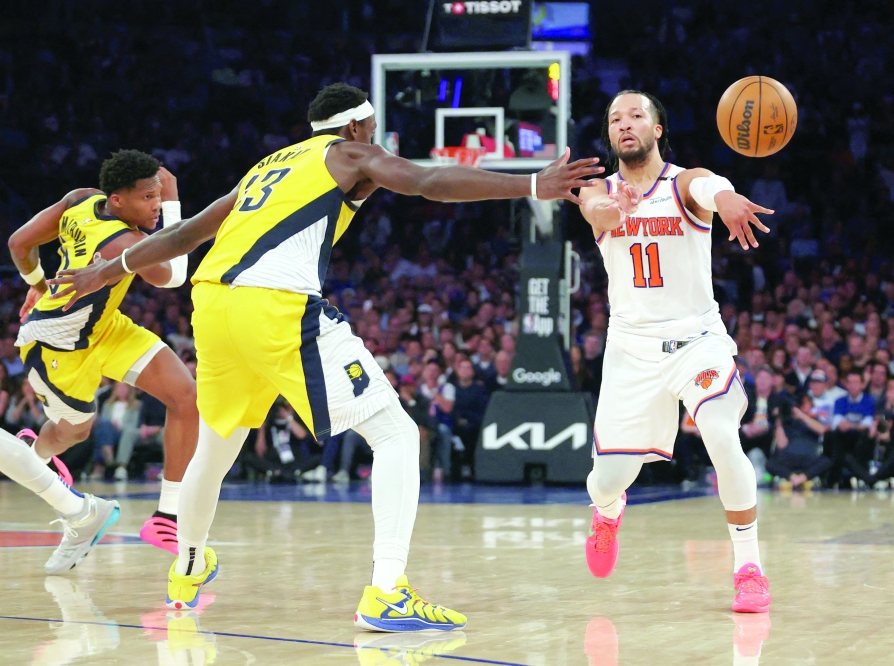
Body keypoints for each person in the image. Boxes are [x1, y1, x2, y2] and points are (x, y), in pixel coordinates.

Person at [51, 82, 601, 629]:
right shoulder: (350, 152)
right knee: (397, 434)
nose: (377, 139)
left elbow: (191, 232)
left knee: (215, 451)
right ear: (357, 127)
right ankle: (388, 591)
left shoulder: (265, 167)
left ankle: (188, 569)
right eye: (374, 129)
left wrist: (107, 270)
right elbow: (427, 181)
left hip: (213, 306)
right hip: (275, 305)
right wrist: (532, 182)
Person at [576, 89, 772, 612]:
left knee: (719, 434)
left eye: (636, 115)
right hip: (631, 352)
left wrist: (727, 197)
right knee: (604, 481)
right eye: (616, 118)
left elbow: (709, 186)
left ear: (656, 129)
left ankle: (748, 568)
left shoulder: (682, 182)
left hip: (697, 341)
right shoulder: (599, 188)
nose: (625, 123)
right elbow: (596, 212)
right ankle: (609, 511)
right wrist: (612, 208)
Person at [1, 151, 198, 574]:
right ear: (119, 200)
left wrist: (36, 284)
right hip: (56, 344)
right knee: (72, 434)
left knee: (185, 395)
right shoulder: (123, 242)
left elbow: (20, 243)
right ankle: (33, 451)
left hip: (105, 326)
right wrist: (177, 199)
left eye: (159, 195)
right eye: (148, 198)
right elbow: (175, 275)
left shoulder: (80, 199)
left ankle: (167, 517)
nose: (156, 205)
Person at [767, 393, 831, 490]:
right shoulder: (786, 421)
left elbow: (822, 430)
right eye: (802, 403)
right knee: (770, 463)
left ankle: (801, 478)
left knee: (826, 461)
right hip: (789, 458)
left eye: (808, 403)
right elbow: (781, 445)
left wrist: (801, 415)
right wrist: (779, 421)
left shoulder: (814, 420)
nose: (805, 405)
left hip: (809, 458)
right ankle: (794, 478)